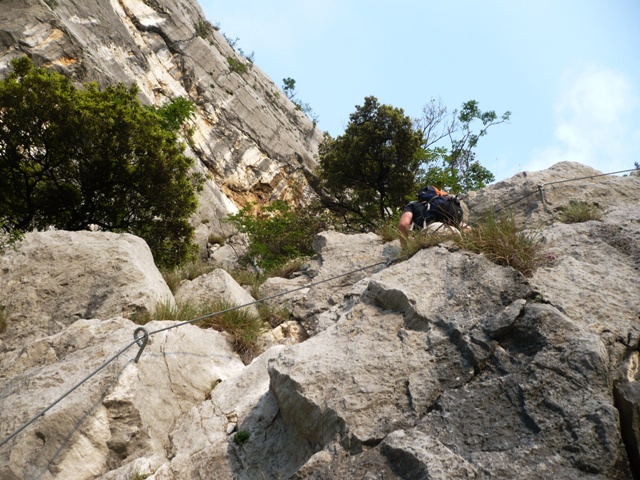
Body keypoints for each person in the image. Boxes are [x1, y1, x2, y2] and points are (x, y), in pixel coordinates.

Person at [398, 186, 468, 247]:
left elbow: (404, 224)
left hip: (432, 232)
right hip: (454, 232)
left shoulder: (413, 204)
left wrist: (404, 247)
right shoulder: (442, 204)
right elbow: (467, 228)